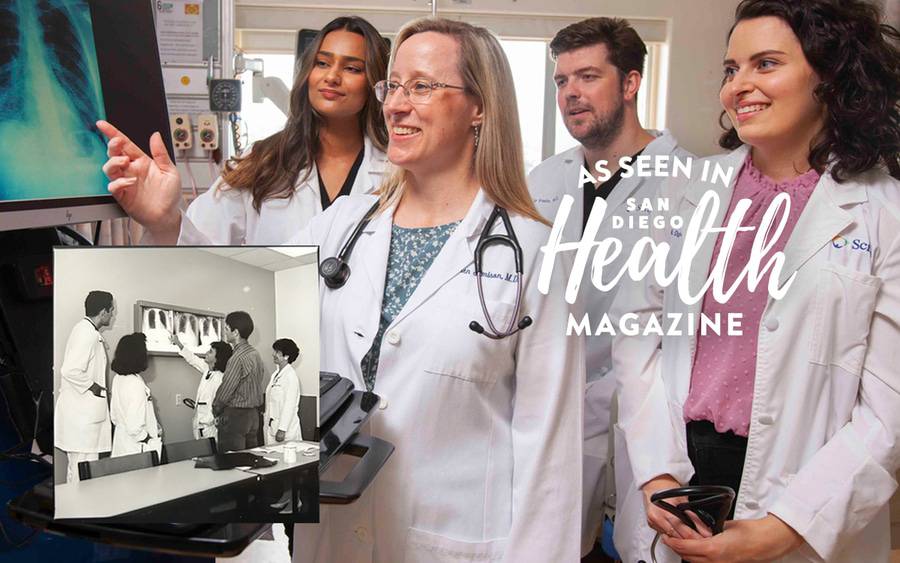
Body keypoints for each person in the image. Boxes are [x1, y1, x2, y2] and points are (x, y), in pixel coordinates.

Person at [612, 1, 900, 562]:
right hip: (681, 477)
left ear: (831, 75)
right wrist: (656, 475)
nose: (737, 87)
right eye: (730, 69)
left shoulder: (883, 210)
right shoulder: (685, 191)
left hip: (803, 492)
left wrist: (785, 527)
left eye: (764, 64)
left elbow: (889, 408)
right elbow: (635, 339)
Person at [289, 17, 584, 563]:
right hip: (329, 536)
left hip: (451, 542)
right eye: (393, 86)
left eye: (422, 86)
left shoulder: (533, 250)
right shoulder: (337, 228)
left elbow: (551, 448)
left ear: (479, 106)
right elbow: (251, 324)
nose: (396, 105)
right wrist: (163, 224)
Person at [526, 17, 693, 556]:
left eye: (588, 76)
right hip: (557, 413)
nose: (571, 93)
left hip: (649, 416)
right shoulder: (540, 183)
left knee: (646, 547)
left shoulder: (691, 184)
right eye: (561, 81)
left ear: (630, 83)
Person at [97, 16, 390, 245]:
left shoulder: (396, 170)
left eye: (352, 68)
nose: (332, 76)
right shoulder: (262, 161)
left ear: (375, 81)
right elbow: (203, 247)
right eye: (322, 63)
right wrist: (163, 220)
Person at [55, 290, 115, 484]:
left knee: (81, 474)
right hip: (82, 421)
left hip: (84, 419)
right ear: (103, 312)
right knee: (82, 476)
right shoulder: (86, 334)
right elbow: (70, 370)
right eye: (111, 310)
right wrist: (95, 387)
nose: (113, 315)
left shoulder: (87, 331)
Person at [212, 311, 267, 452]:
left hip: (236, 417)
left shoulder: (236, 358)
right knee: (250, 461)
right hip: (253, 416)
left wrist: (216, 408)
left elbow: (226, 390)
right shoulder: (255, 354)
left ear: (235, 332)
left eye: (226, 328)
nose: (224, 331)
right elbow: (258, 379)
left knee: (232, 464)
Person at [170, 334, 232, 440]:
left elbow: (221, 406)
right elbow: (193, 359)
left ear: (218, 358)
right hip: (199, 425)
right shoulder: (208, 370)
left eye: (211, 351)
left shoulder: (220, 379)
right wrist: (179, 343)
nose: (206, 353)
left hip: (211, 428)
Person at [109, 333, 162, 458]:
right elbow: (134, 427)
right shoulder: (136, 383)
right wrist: (147, 438)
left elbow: (115, 416)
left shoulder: (118, 378)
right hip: (136, 446)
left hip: (121, 441)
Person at [265, 338, 302, 445]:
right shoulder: (275, 374)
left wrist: (282, 429)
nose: (273, 354)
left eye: (277, 352)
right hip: (272, 427)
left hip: (286, 431)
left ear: (286, 356)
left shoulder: (291, 376)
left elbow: (290, 405)